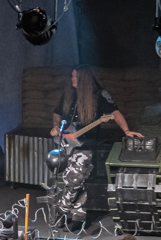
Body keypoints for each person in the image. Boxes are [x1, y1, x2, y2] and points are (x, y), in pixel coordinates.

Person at [50, 66, 143, 224]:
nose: (72, 79)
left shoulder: (99, 96)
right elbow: (57, 112)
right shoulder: (67, 94)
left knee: (74, 179)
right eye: (71, 76)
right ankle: (78, 216)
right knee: (72, 179)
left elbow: (115, 112)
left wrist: (126, 130)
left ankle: (61, 210)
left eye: (75, 77)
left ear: (84, 80)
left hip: (85, 145)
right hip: (65, 142)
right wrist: (56, 125)